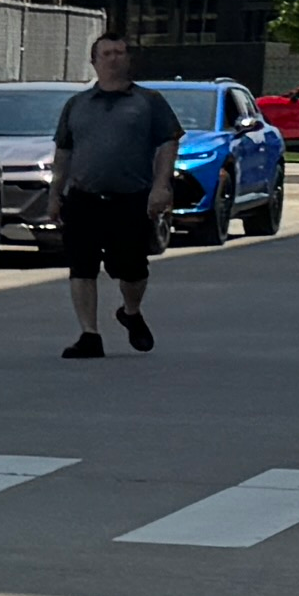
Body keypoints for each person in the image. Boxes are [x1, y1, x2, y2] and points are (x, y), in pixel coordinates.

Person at [45, 32, 181, 360]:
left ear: (128, 59)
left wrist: (161, 185)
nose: (114, 59)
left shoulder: (149, 102)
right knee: (81, 267)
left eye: (120, 53)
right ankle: (89, 335)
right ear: (94, 62)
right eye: (107, 54)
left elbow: (168, 143)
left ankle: (130, 312)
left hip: (131, 198)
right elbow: (63, 152)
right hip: (84, 198)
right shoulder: (76, 105)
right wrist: (54, 194)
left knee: (132, 269)